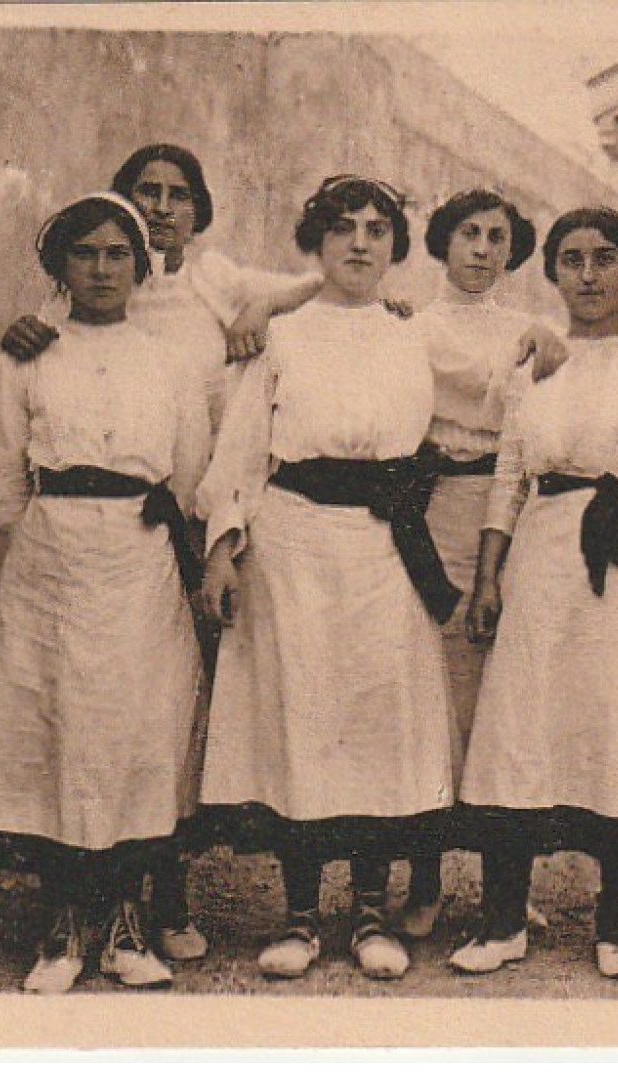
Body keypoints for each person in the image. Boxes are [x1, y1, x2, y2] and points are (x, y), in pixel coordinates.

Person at [0, 144, 326, 962]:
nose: (159, 209)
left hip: (181, 530)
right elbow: (6, 467)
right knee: (81, 717)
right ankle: (81, 916)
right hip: (71, 549)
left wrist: (202, 543)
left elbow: (314, 289)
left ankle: (155, 904)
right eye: (145, 193)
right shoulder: (46, 325)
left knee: (166, 715)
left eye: (177, 195)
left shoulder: (210, 292)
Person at [195, 175, 456, 981]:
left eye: (378, 228)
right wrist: (221, 547)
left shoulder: (416, 333)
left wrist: (558, 341)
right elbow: (240, 449)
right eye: (342, 228)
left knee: (376, 722)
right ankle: (301, 916)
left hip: (384, 550)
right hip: (295, 545)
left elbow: (506, 352)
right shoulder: (286, 334)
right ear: (316, 242)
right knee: (298, 721)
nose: (360, 243)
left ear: (395, 246)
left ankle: (371, 912)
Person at [395, 188, 618, 939]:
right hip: (446, 518)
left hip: (564, 532)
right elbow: (504, 467)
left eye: (496, 237)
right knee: (447, 701)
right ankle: (442, 885)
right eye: (467, 235)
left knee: (552, 709)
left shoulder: (545, 336)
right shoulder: (413, 328)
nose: (481, 249)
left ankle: (556, 905)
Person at [449, 207, 618, 979]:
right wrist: (488, 575)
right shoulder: (534, 362)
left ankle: (614, 919)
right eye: (571, 260)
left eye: (604, 260)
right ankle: (502, 919)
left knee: (616, 720)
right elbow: (506, 478)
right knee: (521, 722)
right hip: (544, 551)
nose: (588, 276)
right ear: (552, 273)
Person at [0, 192, 208, 993]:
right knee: (56, 732)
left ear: (141, 267)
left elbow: (190, 469)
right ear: (59, 267)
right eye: (85, 254)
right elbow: (3, 477)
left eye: (118, 255)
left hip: (141, 562)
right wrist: (48, 534)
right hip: (52, 565)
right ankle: (64, 924)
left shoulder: (169, 358)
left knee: (139, 732)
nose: (102, 269)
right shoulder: (27, 353)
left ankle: (128, 925)